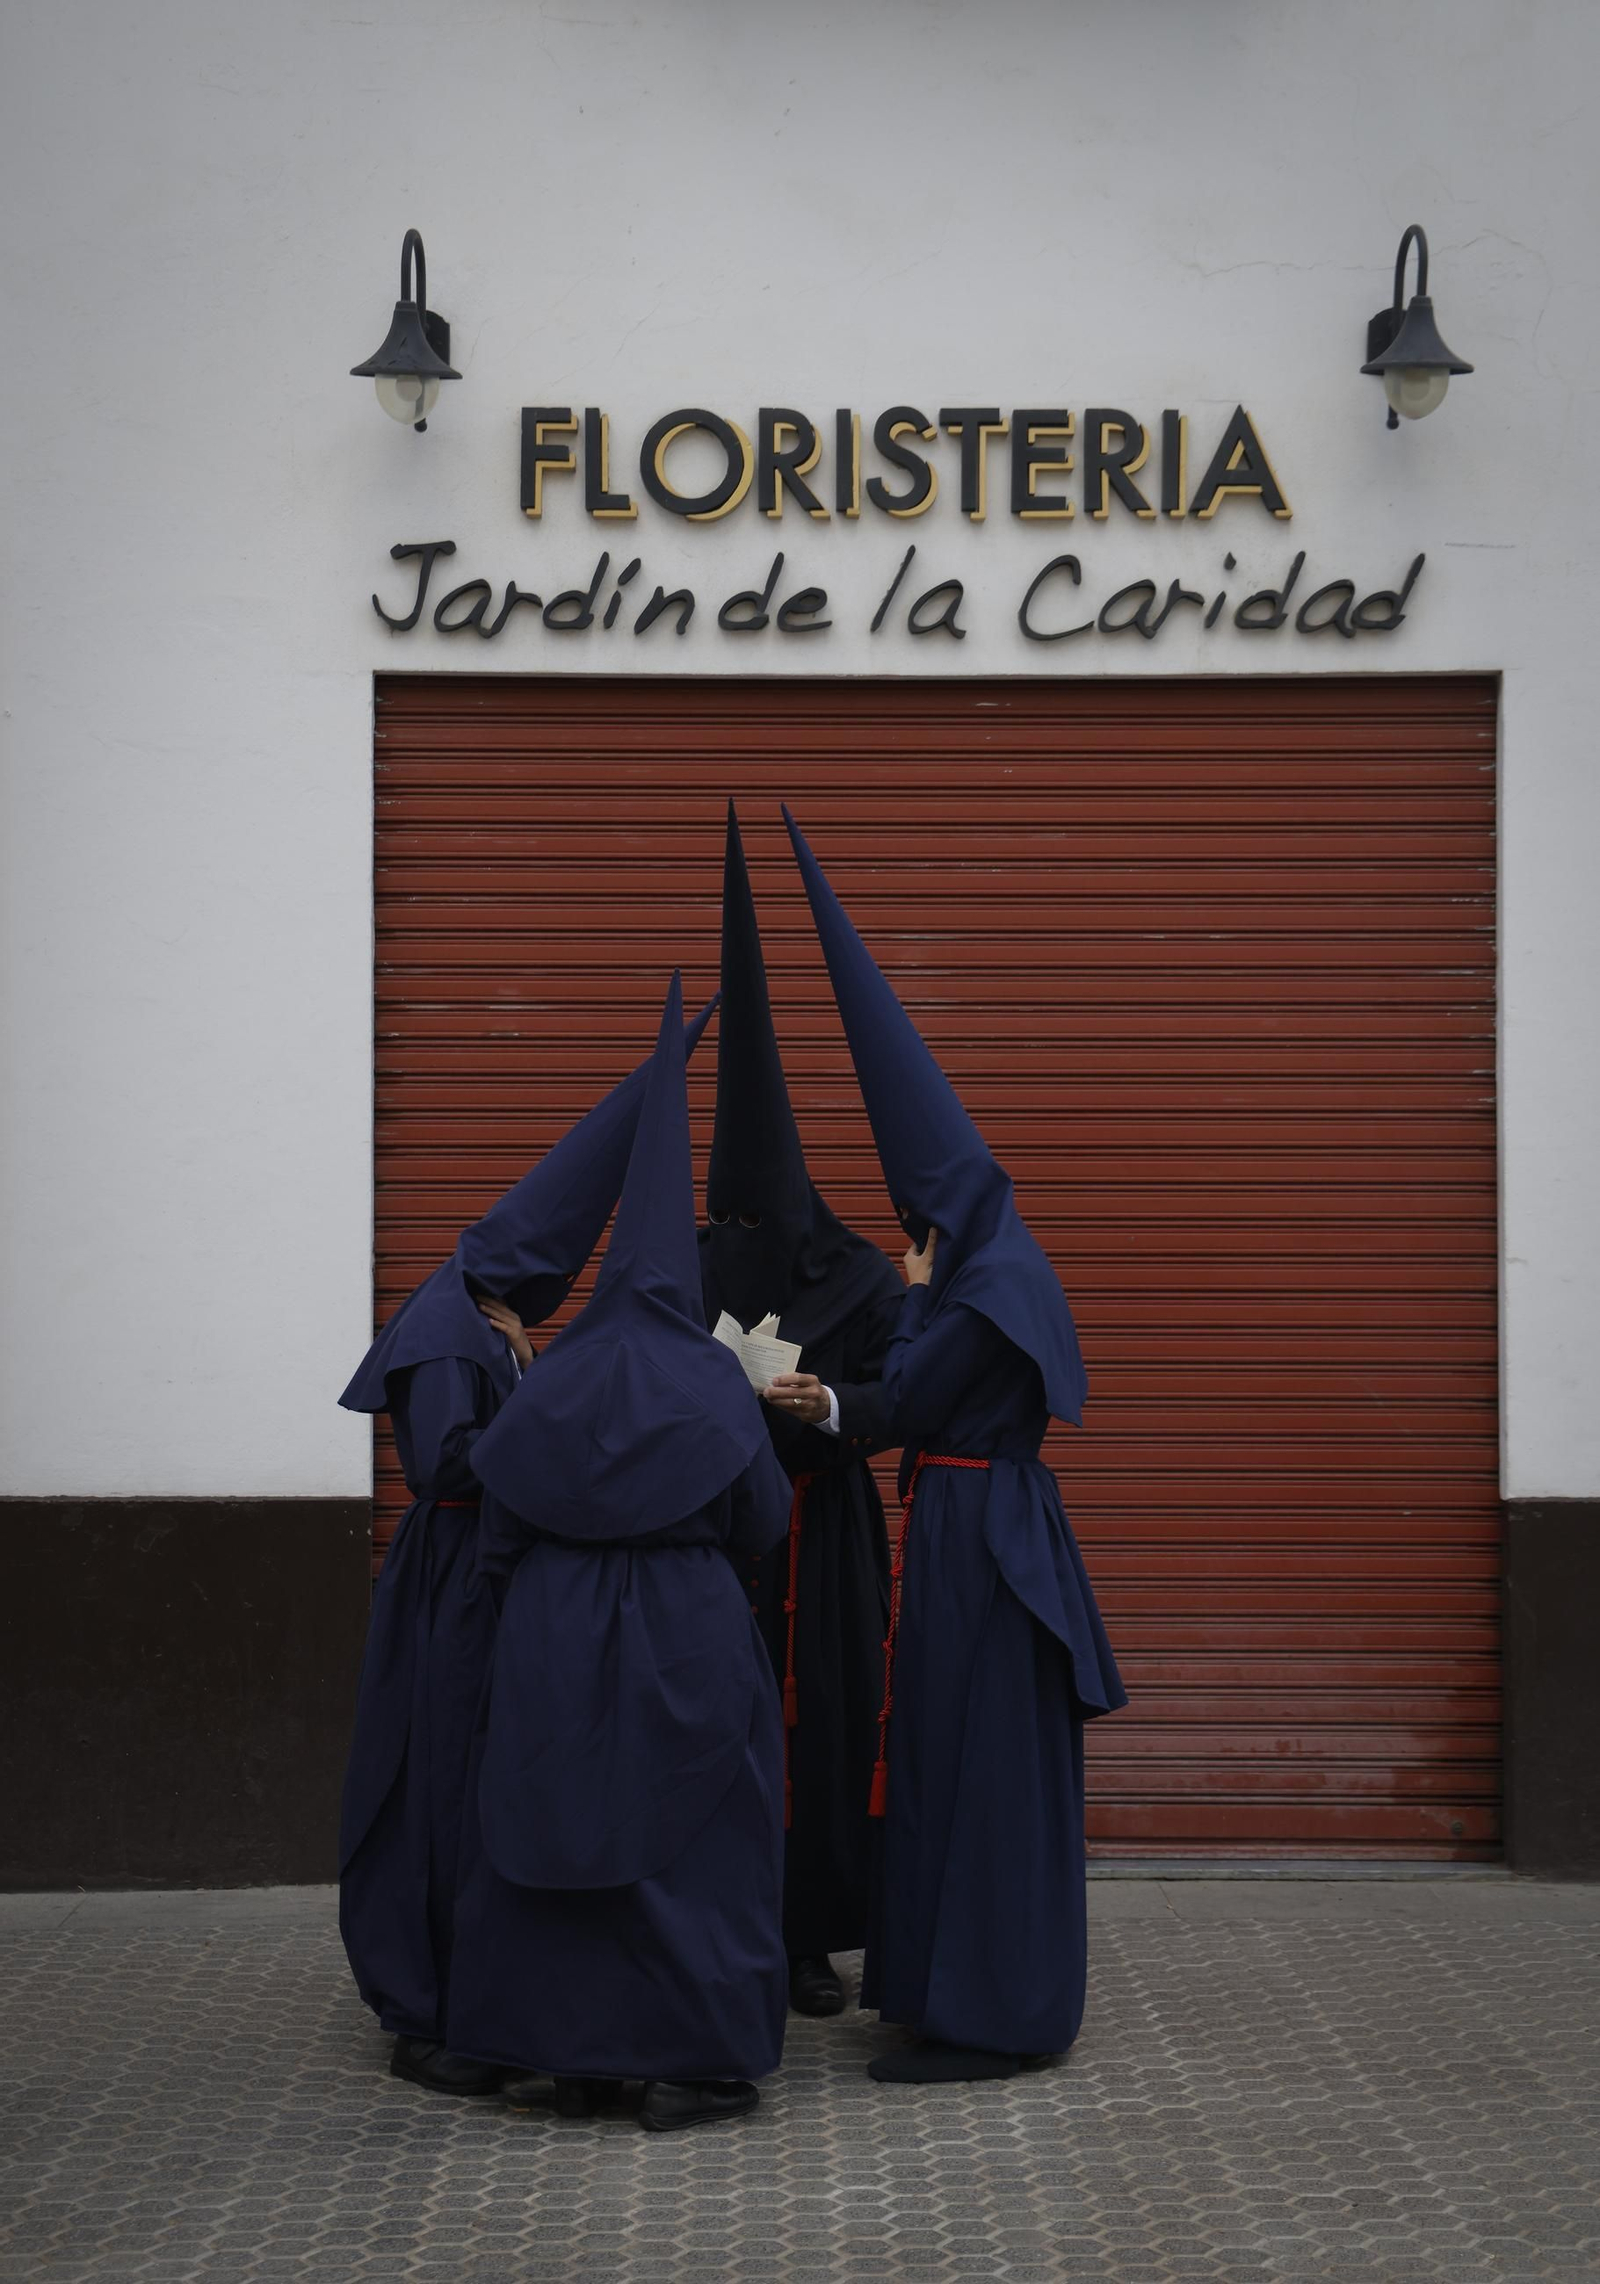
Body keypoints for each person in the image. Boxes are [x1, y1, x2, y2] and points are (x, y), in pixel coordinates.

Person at [784, 806, 1127, 2084]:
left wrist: (867, 1353)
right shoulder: (991, 1272)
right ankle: (934, 1990)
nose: (909, 1235)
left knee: (974, 1763)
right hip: (961, 1532)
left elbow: (914, 1394)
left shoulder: (986, 1291)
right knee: (933, 1752)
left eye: (919, 1217)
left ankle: (993, 2016)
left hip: (983, 1544)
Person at [337, 998, 715, 2095]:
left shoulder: (485, 1325)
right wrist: (546, 1405)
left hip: (488, 1575)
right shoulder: (445, 1334)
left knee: (481, 1778)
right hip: (453, 1578)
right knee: (439, 1779)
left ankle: (479, 1989)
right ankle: (422, 2006)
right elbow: (444, 1466)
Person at [447, 973, 792, 2133]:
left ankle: (570, 2056)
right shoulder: (709, 1378)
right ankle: (692, 2062)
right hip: (686, 1627)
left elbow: (499, 1527)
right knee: (697, 1842)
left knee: (549, 1822)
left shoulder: (554, 1380)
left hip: (551, 1627)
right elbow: (762, 1517)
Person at [702, 801, 904, 2019]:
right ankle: (715, 1925)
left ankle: (810, 1937)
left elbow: (903, 1395)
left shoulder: (863, 1279)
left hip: (823, 1541)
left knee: (823, 1729)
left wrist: (831, 1405)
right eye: (721, 1219)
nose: (738, 1240)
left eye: (755, 1221)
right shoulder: (686, 1267)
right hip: (715, 1540)